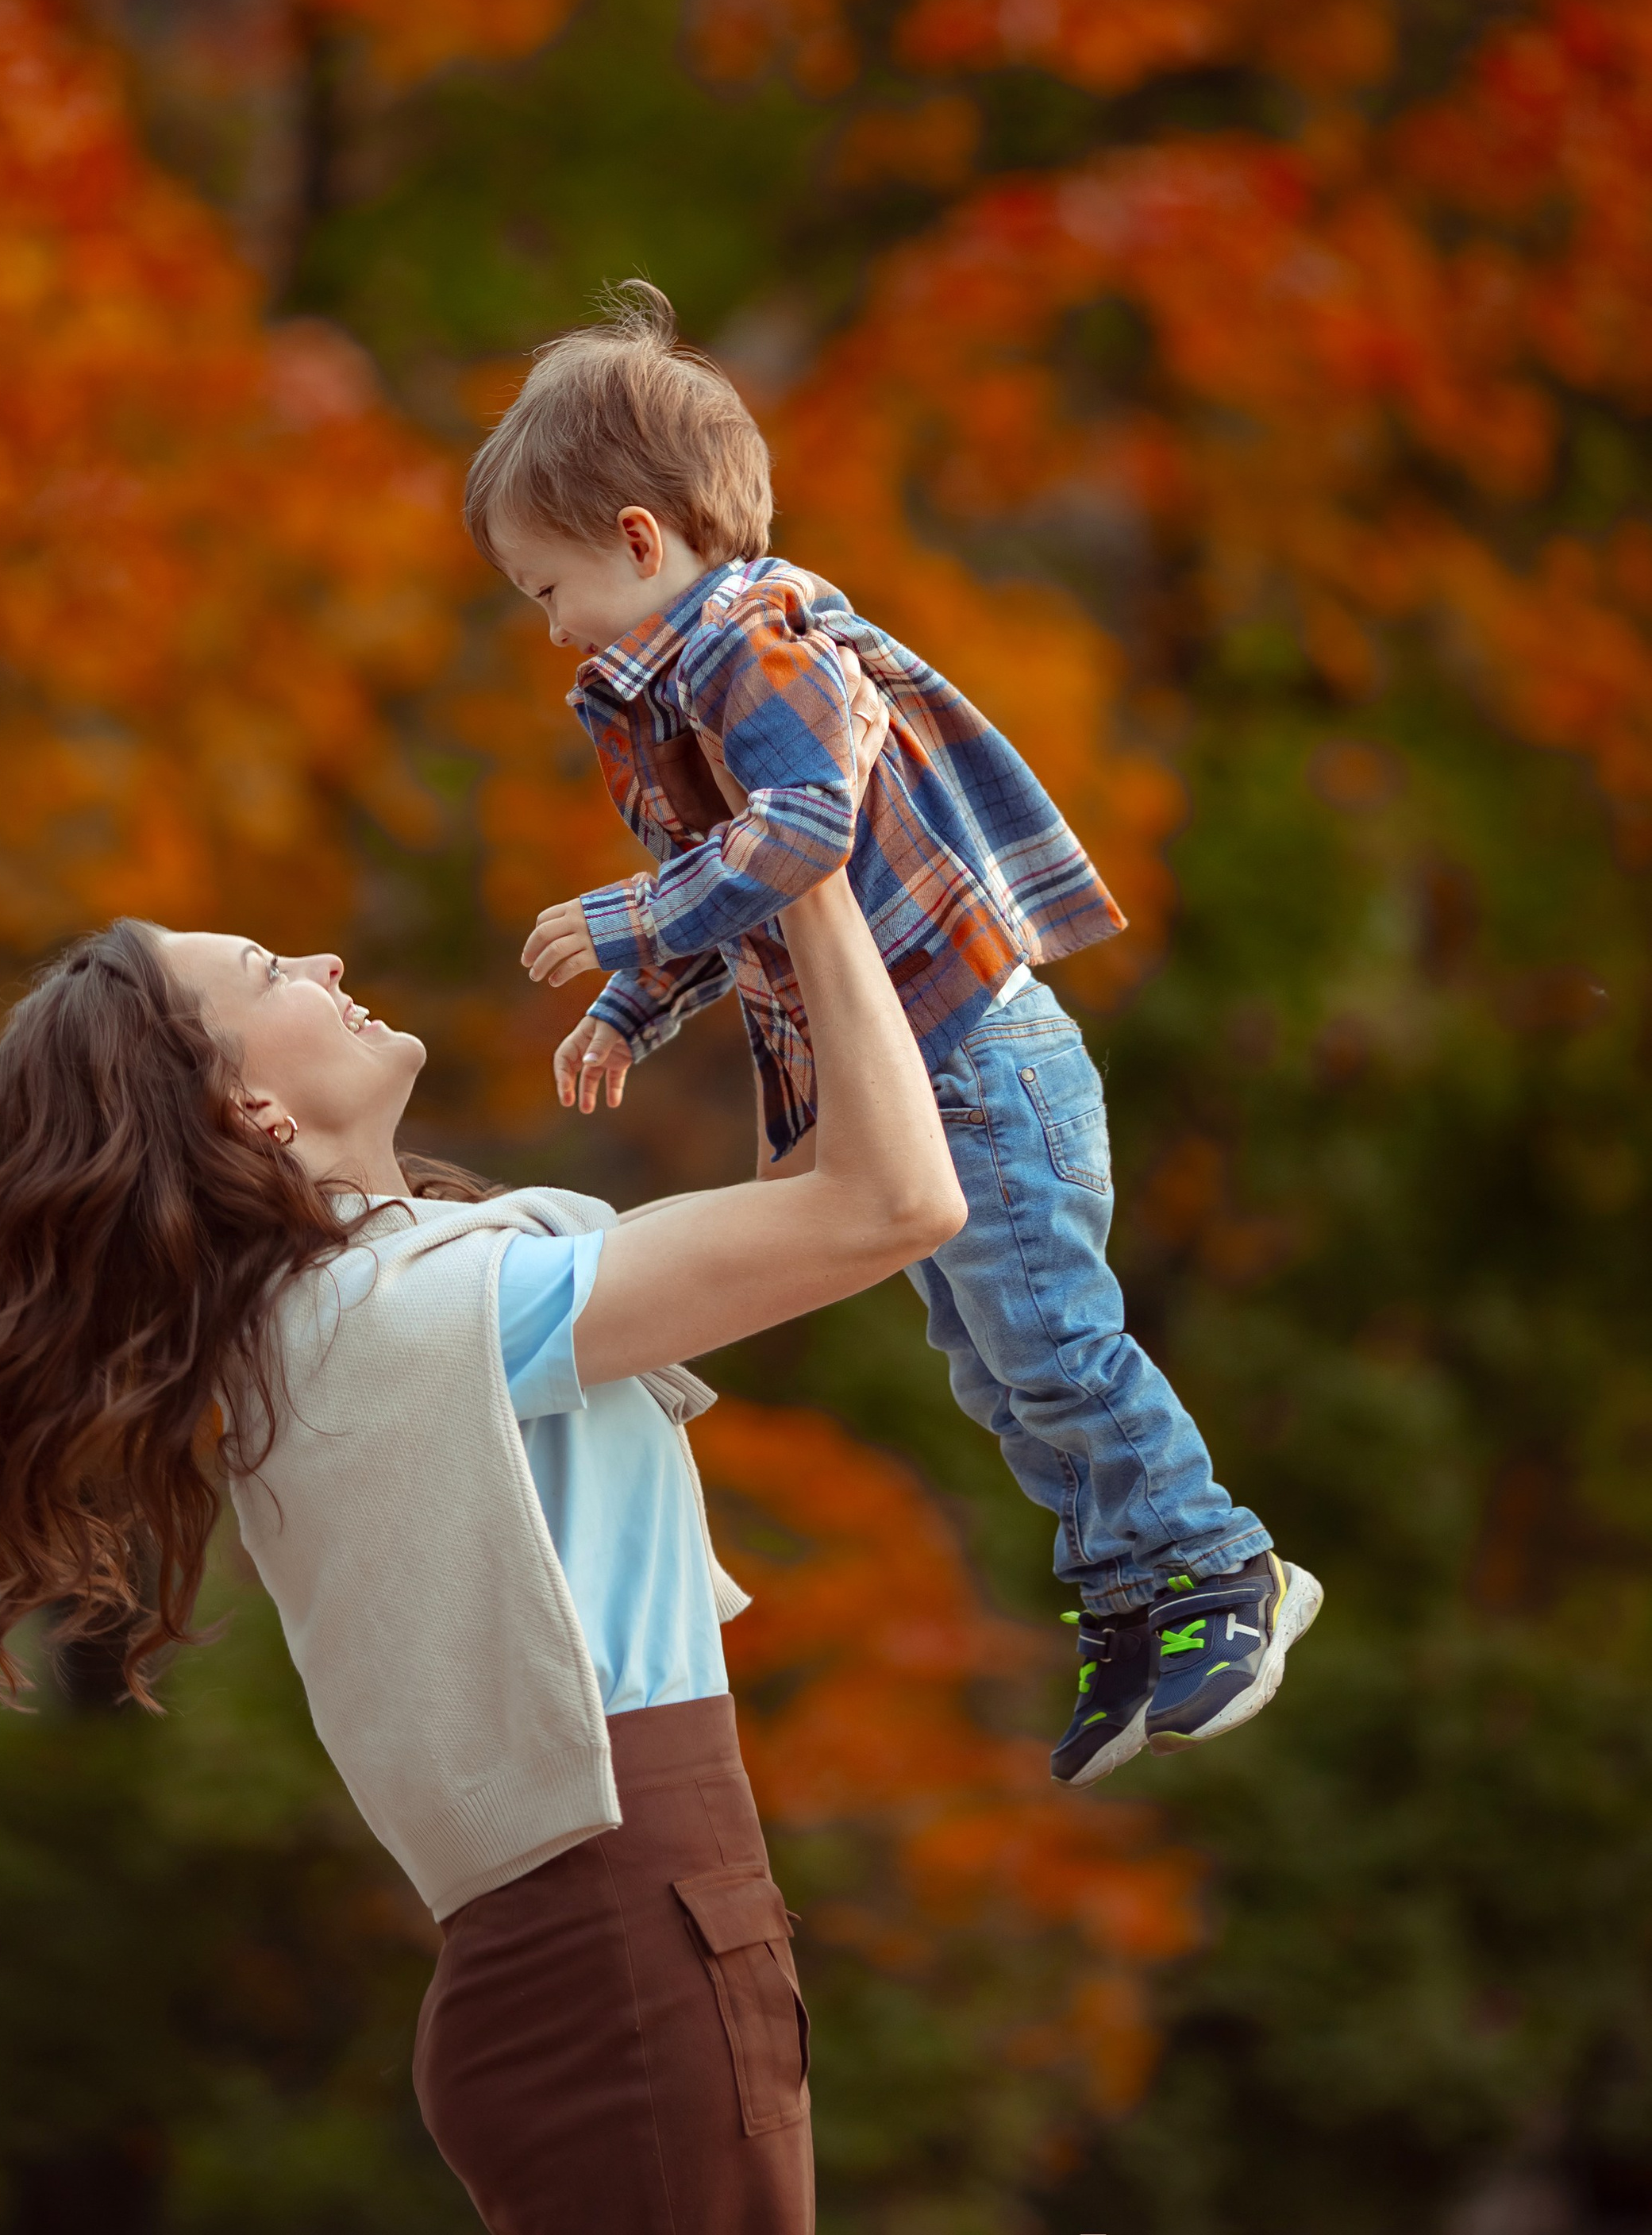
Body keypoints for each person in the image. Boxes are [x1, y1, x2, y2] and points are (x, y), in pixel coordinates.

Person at [0, 672, 961, 2235]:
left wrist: (757, 864)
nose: (325, 958)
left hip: (629, 1951)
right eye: (270, 967)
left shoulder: (390, 1300)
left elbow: (813, 1185)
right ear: (246, 1102)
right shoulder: (395, 1317)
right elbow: (889, 1205)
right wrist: (800, 845)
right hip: (626, 1949)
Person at [464, 280, 1322, 1787]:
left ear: (639, 543)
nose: (549, 633)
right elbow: (730, 883)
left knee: (1052, 1341)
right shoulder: (674, 679)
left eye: (546, 590)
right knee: (993, 1365)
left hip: (978, 1063)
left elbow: (804, 826)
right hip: (915, 1083)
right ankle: (1128, 1602)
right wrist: (631, 1001)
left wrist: (624, 924)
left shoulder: (754, 644)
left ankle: (1212, 1572)